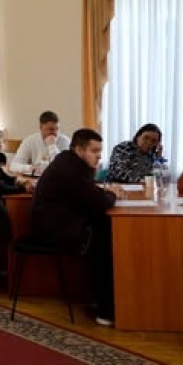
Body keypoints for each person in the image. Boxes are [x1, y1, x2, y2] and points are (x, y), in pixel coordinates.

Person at [30, 128, 118, 326]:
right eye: (94, 151)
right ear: (79, 150)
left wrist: (106, 194)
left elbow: (90, 194)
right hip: (53, 232)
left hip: (60, 224)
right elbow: (98, 203)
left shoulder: (70, 163)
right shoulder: (71, 169)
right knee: (106, 236)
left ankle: (104, 303)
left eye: (100, 151)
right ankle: (105, 309)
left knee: (105, 228)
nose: (99, 156)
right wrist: (112, 194)